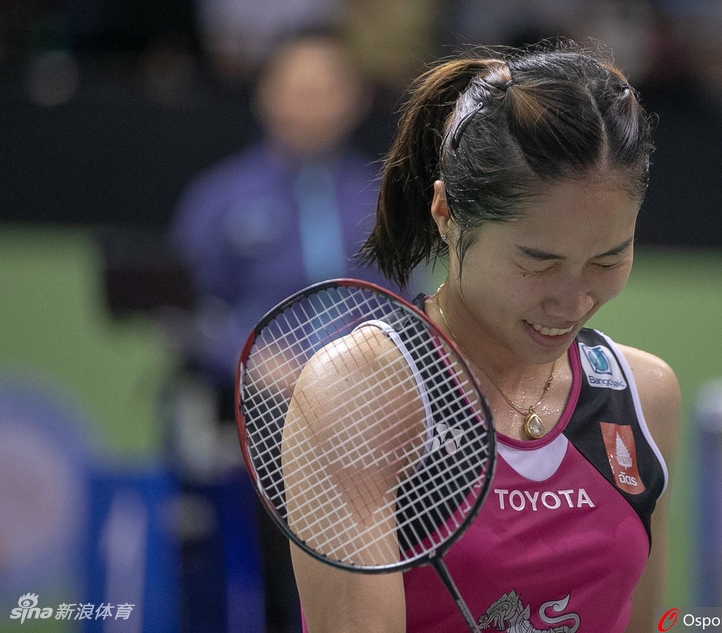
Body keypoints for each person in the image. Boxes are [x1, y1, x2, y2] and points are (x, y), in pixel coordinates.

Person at [290, 39, 681, 633]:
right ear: (447, 215)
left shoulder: (645, 394)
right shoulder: (361, 395)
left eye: (608, 259)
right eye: (538, 263)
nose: (573, 300)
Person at [170, 25, 398, 633]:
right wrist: (253, 358)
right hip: (257, 416)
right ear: (264, 95)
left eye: (327, 88)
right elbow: (183, 312)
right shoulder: (217, 198)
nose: (312, 102)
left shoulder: (386, 198)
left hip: (372, 416)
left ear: (353, 98)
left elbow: (415, 304)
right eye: (297, 87)